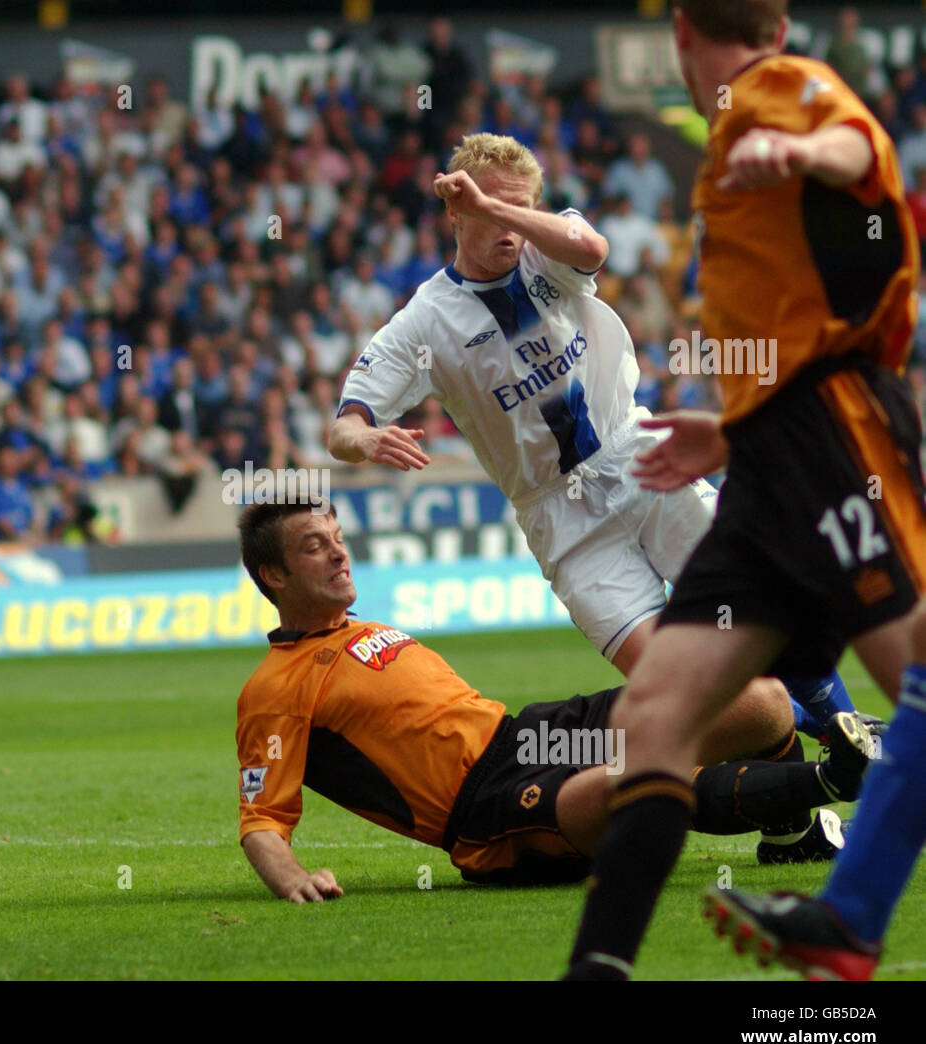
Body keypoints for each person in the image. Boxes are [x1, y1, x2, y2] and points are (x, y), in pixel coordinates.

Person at [325, 131, 863, 860]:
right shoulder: (425, 322)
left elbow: (593, 247)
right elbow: (343, 425)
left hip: (640, 459)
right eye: (486, 206)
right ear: (454, 210)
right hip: (566, 523)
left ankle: (848, 749)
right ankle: (804, 808)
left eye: (521, 206)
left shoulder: (547, 254)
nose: (507, 223)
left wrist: (505, 210)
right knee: (688, 684)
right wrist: (366, 442)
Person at [561, 0, 921, 981]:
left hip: (833, 436)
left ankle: (848, 923)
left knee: (919, 681)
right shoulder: (735, 123)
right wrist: (730, 431)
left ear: (681, 29)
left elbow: (853, 140)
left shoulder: (766, 87)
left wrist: (803, 157)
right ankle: (596, 973)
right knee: (656, 718)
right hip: (769, 459)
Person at [235, 501, 875, 901]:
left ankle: (792, 839)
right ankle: (827, 780)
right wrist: (290, 878)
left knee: (756, 700)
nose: (339, 550)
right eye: (315, 545)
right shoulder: (274, 689)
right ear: (276, 575)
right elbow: (261, 818)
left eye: (336, 535)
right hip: (485, 811)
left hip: (528, 734)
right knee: (630, 782)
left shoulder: (364, 630)